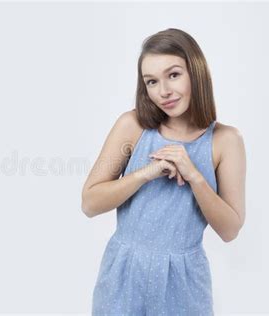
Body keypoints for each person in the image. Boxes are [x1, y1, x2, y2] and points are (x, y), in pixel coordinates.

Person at [81, 28, 246, 315]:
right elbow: (89, 203)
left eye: (173, 75)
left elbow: (230, 230)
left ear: (196, 72)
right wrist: (147, 172)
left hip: (184, 283)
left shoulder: (225, 141)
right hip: (123, 274)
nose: (163, 91)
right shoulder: (131, 126)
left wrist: (194, 175)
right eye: (151, 82)